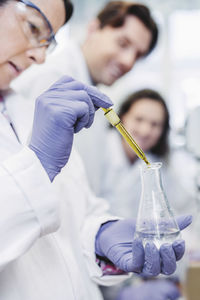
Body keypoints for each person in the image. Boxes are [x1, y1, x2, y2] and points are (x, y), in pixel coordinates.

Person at [0, 1, 191, 300]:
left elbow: (69, 208)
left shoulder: (19, 105)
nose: (39, 56)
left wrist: (100, 234)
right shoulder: (46, 86)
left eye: (48, 41)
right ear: (94, 28)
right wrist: (38, 165)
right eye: (33, 26)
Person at [11, 0, 159, 191]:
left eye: (138, 55)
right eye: (123, 44)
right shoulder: (51, 79)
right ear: (93, 28)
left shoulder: (91, 93)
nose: (128, 61)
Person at [99, 89, 196, 218]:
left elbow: (185, 205)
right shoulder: (99, 150)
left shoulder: (160, 164)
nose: (145, 131)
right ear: (121, 117)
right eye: (139, 119)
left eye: (155, 124)